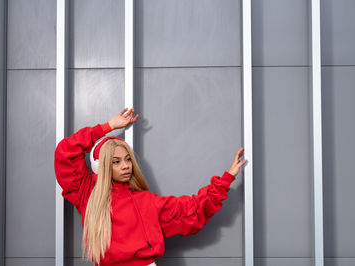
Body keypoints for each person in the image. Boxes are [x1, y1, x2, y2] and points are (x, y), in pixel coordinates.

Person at [54, 108, 247, 266]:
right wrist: (109, 126)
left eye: (128, 159)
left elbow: (194, 209)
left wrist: (227, 178)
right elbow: (65, 152)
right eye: (116, 162)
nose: (126, 165)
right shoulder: (88, 196)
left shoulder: (146, 201)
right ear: (102, 166)